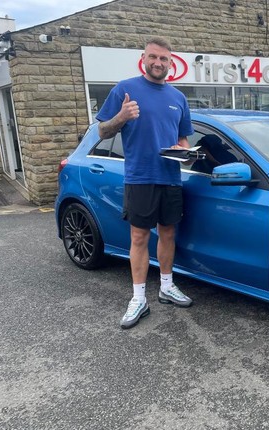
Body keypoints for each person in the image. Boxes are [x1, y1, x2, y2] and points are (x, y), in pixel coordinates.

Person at [96, 36, 194, 329]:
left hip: (170, 178)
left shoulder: (179, 98)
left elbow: (183, 139)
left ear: (171, 62)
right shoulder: (125, 89)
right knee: (139, 238)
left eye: (164, 59)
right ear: (143, 58)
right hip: (140, 177)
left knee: (167, 233)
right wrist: (122, 117)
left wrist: (184, 152)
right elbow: (102, 131)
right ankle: (139, 298)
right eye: (153, 57)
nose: (158, 63)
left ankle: (166, 286)